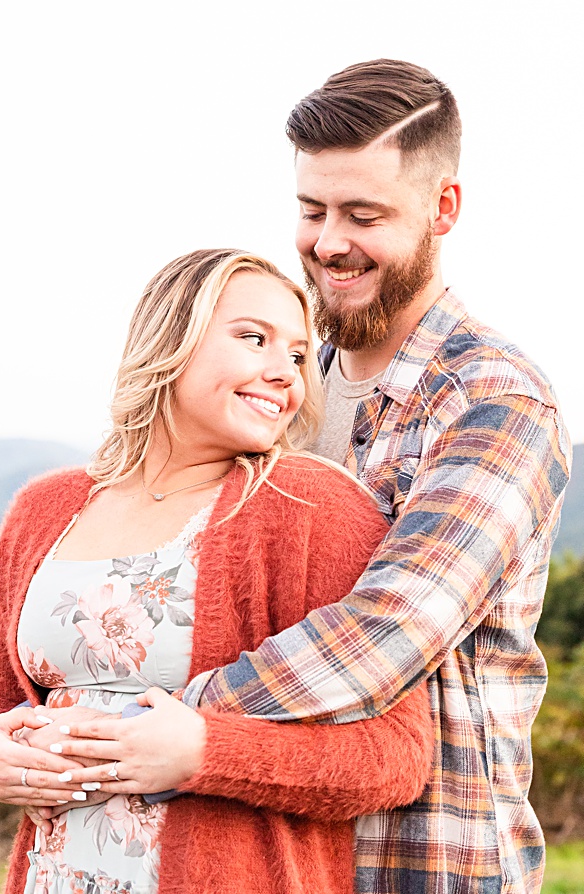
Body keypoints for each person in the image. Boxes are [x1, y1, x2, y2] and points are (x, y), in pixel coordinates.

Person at [47, 60, 572, 893]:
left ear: (444, 210)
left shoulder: (496, 402)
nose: (328, 242)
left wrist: (135, 714)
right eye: (311, 209)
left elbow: (387, 632)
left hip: (417, 860)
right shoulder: (282, 389)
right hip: (257, 852)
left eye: (364, 214)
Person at [0, 248, 436, 894]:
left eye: (300, 355)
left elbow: (396, 756)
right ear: (174, 338)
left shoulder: (313, 508)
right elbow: (3, 704)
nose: (285, 373)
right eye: (255, 338)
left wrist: (204, 753)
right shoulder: (42, 509)